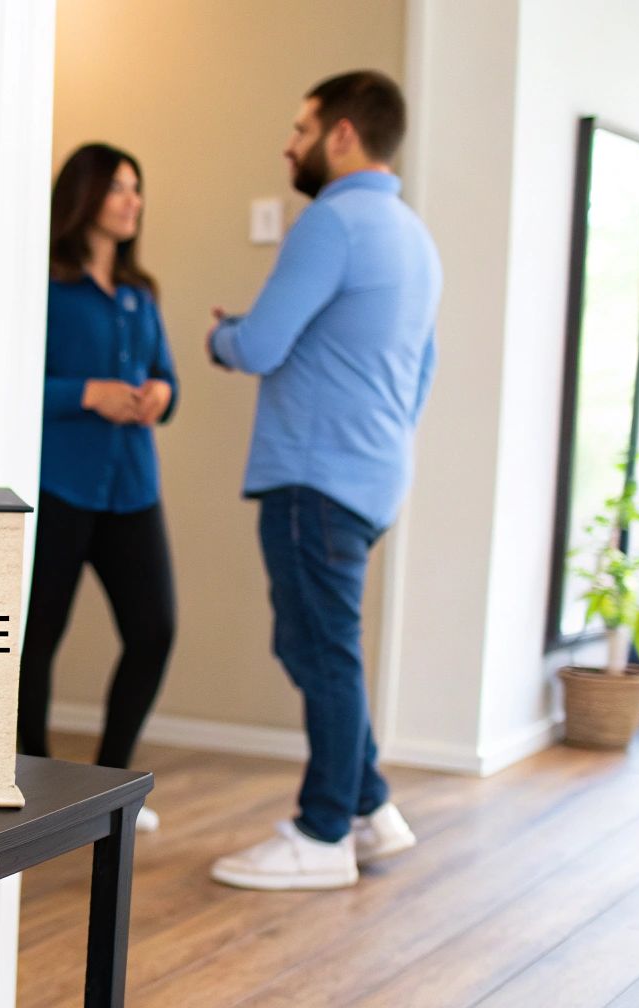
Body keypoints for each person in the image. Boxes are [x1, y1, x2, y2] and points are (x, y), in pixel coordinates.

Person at [206, 70, 441, 890]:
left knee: (323, 649)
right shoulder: (414, 236)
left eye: (301, 127)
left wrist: (222, 335)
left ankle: (322, 832)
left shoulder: (331, 223)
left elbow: (263, 344)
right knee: (312, 640)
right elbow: (424, 368)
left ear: (343, 133)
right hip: (375, 473)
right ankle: (372, 809)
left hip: (314, 475)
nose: (289, 143)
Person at [19, 143, 178, 832]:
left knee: (155, 630)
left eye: (137, 189)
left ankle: (115, 784)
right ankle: (29, 771)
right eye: (118, 187)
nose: (131, 201)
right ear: (85, 195)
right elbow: (19, 379)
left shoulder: (142, 295)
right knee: (38, 636)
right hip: (62, 485)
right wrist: (89, 393)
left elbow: (168, 379)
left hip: (132, 488)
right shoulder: (45, 287)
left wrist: (160, 393)